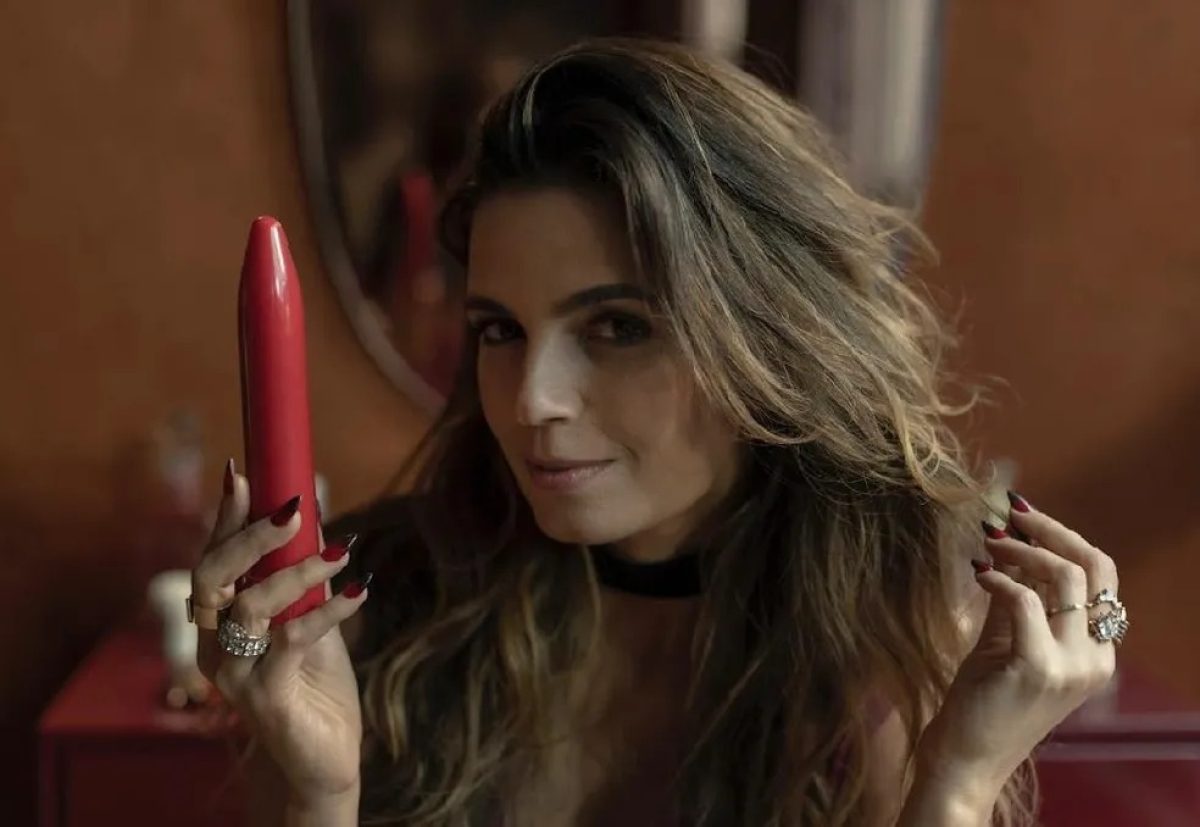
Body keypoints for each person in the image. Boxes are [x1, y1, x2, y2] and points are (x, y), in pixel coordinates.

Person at [189, 39, 1124, 826]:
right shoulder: (379, 608)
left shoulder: (891, 621)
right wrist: (320, 793)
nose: (533, 400)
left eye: (617, 326)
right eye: (501, 330)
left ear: (769, 334)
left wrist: (956, 785)